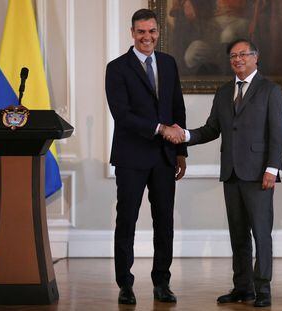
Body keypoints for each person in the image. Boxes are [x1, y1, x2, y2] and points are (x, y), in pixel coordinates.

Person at [167, 38, 282, 307]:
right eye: (233, 56)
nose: (238, 60)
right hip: (231, 173)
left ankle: (263, 289)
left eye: (243, 54)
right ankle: (242, 288)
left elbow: (278, 132)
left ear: (256, 57)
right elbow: (212, 129)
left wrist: (272, 168)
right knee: (238, 234)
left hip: (259, 174)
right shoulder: (223, 92)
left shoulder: (270, 90)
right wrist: (184, 135)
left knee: (261, 233)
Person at [105, 9, 187, 305]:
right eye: (141, 32)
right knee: (126, 220)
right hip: (131, 157)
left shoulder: (168, 63)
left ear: (157, 32)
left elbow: (177, 107)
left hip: (165, 158)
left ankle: (161, 283)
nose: (147, 37)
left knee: (164, 222)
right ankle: (125, 285)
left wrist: (180, 151)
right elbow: (122, 115)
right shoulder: (116, 68)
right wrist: (159, 128)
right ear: (132, 33)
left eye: (151, 31)